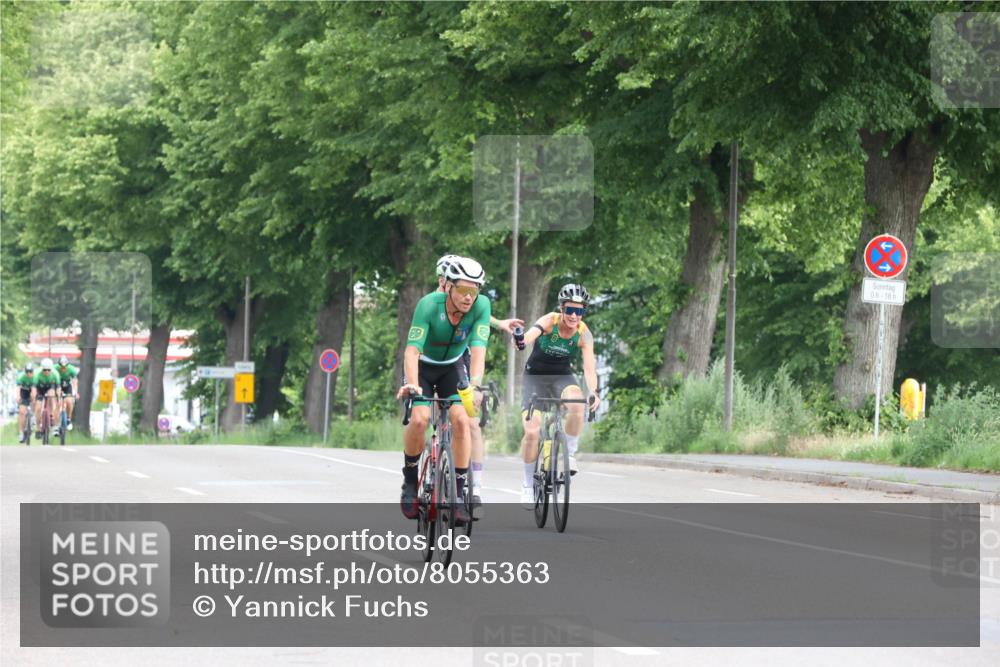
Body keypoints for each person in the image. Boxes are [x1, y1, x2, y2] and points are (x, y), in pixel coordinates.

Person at [397, 257, 491, 525]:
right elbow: (412, 350)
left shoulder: (481, 306)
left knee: (462, 420)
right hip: (423, 367)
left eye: (474, 291)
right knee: (420, 418)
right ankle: (410, 480)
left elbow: (479, 349)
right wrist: (413, 384)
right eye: (463, 290)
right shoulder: (428, 305)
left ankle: (459, 495)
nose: (469, 297)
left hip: (453, 367)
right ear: (448, 286)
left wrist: (474, 384)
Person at [433, 254, 523, 516]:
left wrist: (500, 323)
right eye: (441, 280)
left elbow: (479, 317)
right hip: (436, 355)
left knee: (471, 421)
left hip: (462, 356)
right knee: (433, 405)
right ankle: (436, 444)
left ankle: (475, 489)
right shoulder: (433, 304)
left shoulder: (467, 299)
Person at [517, 283, 600, 508]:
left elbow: (589, 369)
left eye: (579, 311)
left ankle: (569, 454)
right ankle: (526, 485)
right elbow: (529, 336)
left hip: (561, 377)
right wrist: (521, 339)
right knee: (532, 432)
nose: (574, 315)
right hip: (535, 377)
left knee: (577, 404)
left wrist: (593, 392)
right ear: (561, 308)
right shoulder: (550, 321)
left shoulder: (584, 333)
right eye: (569, 310)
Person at [33, 358, 61, 438]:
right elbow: (34, 389)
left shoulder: (55, 373)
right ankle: (38, 429)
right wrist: (35, 398)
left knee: (51, 395)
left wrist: (58, 398)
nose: (47, 372)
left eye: (49, 370)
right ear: (42, 369)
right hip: (40, 388)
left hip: (50, 387)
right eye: (45, 370)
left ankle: (51, 416)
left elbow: (58, 388)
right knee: (38, 408)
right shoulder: (36, 374)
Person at [56, 355, 79, 431]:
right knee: (57, 402)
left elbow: (75, 382)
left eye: (65, 367)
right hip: (57, 385)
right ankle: (56, 421)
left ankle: (68, 419)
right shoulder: (54, 368)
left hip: (67, 386)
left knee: (69, 401)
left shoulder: (71, 369)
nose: (63, 369)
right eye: (61, 367)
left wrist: (75, 392)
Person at [16, 363, 36, 443]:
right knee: (22, 412)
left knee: (35, 399)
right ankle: (21, 432)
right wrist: (17, 397)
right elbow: (18, 388)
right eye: (27, 372)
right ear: (25, 372)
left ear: (33, 372)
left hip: (32, 391)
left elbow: (34, 391)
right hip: (23, 393)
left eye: (30, 372)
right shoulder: (21, 376)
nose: (29, 374)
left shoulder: (35, 377)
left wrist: (33, 397)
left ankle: (33, 416)